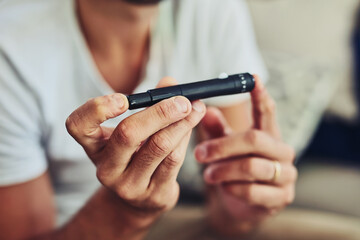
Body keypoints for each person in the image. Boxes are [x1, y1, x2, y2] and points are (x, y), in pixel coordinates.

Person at [0, 0, 297, 239]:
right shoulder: (10, 44)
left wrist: (241, 207)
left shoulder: (213, 9)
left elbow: (227, 214)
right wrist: (127, 211)